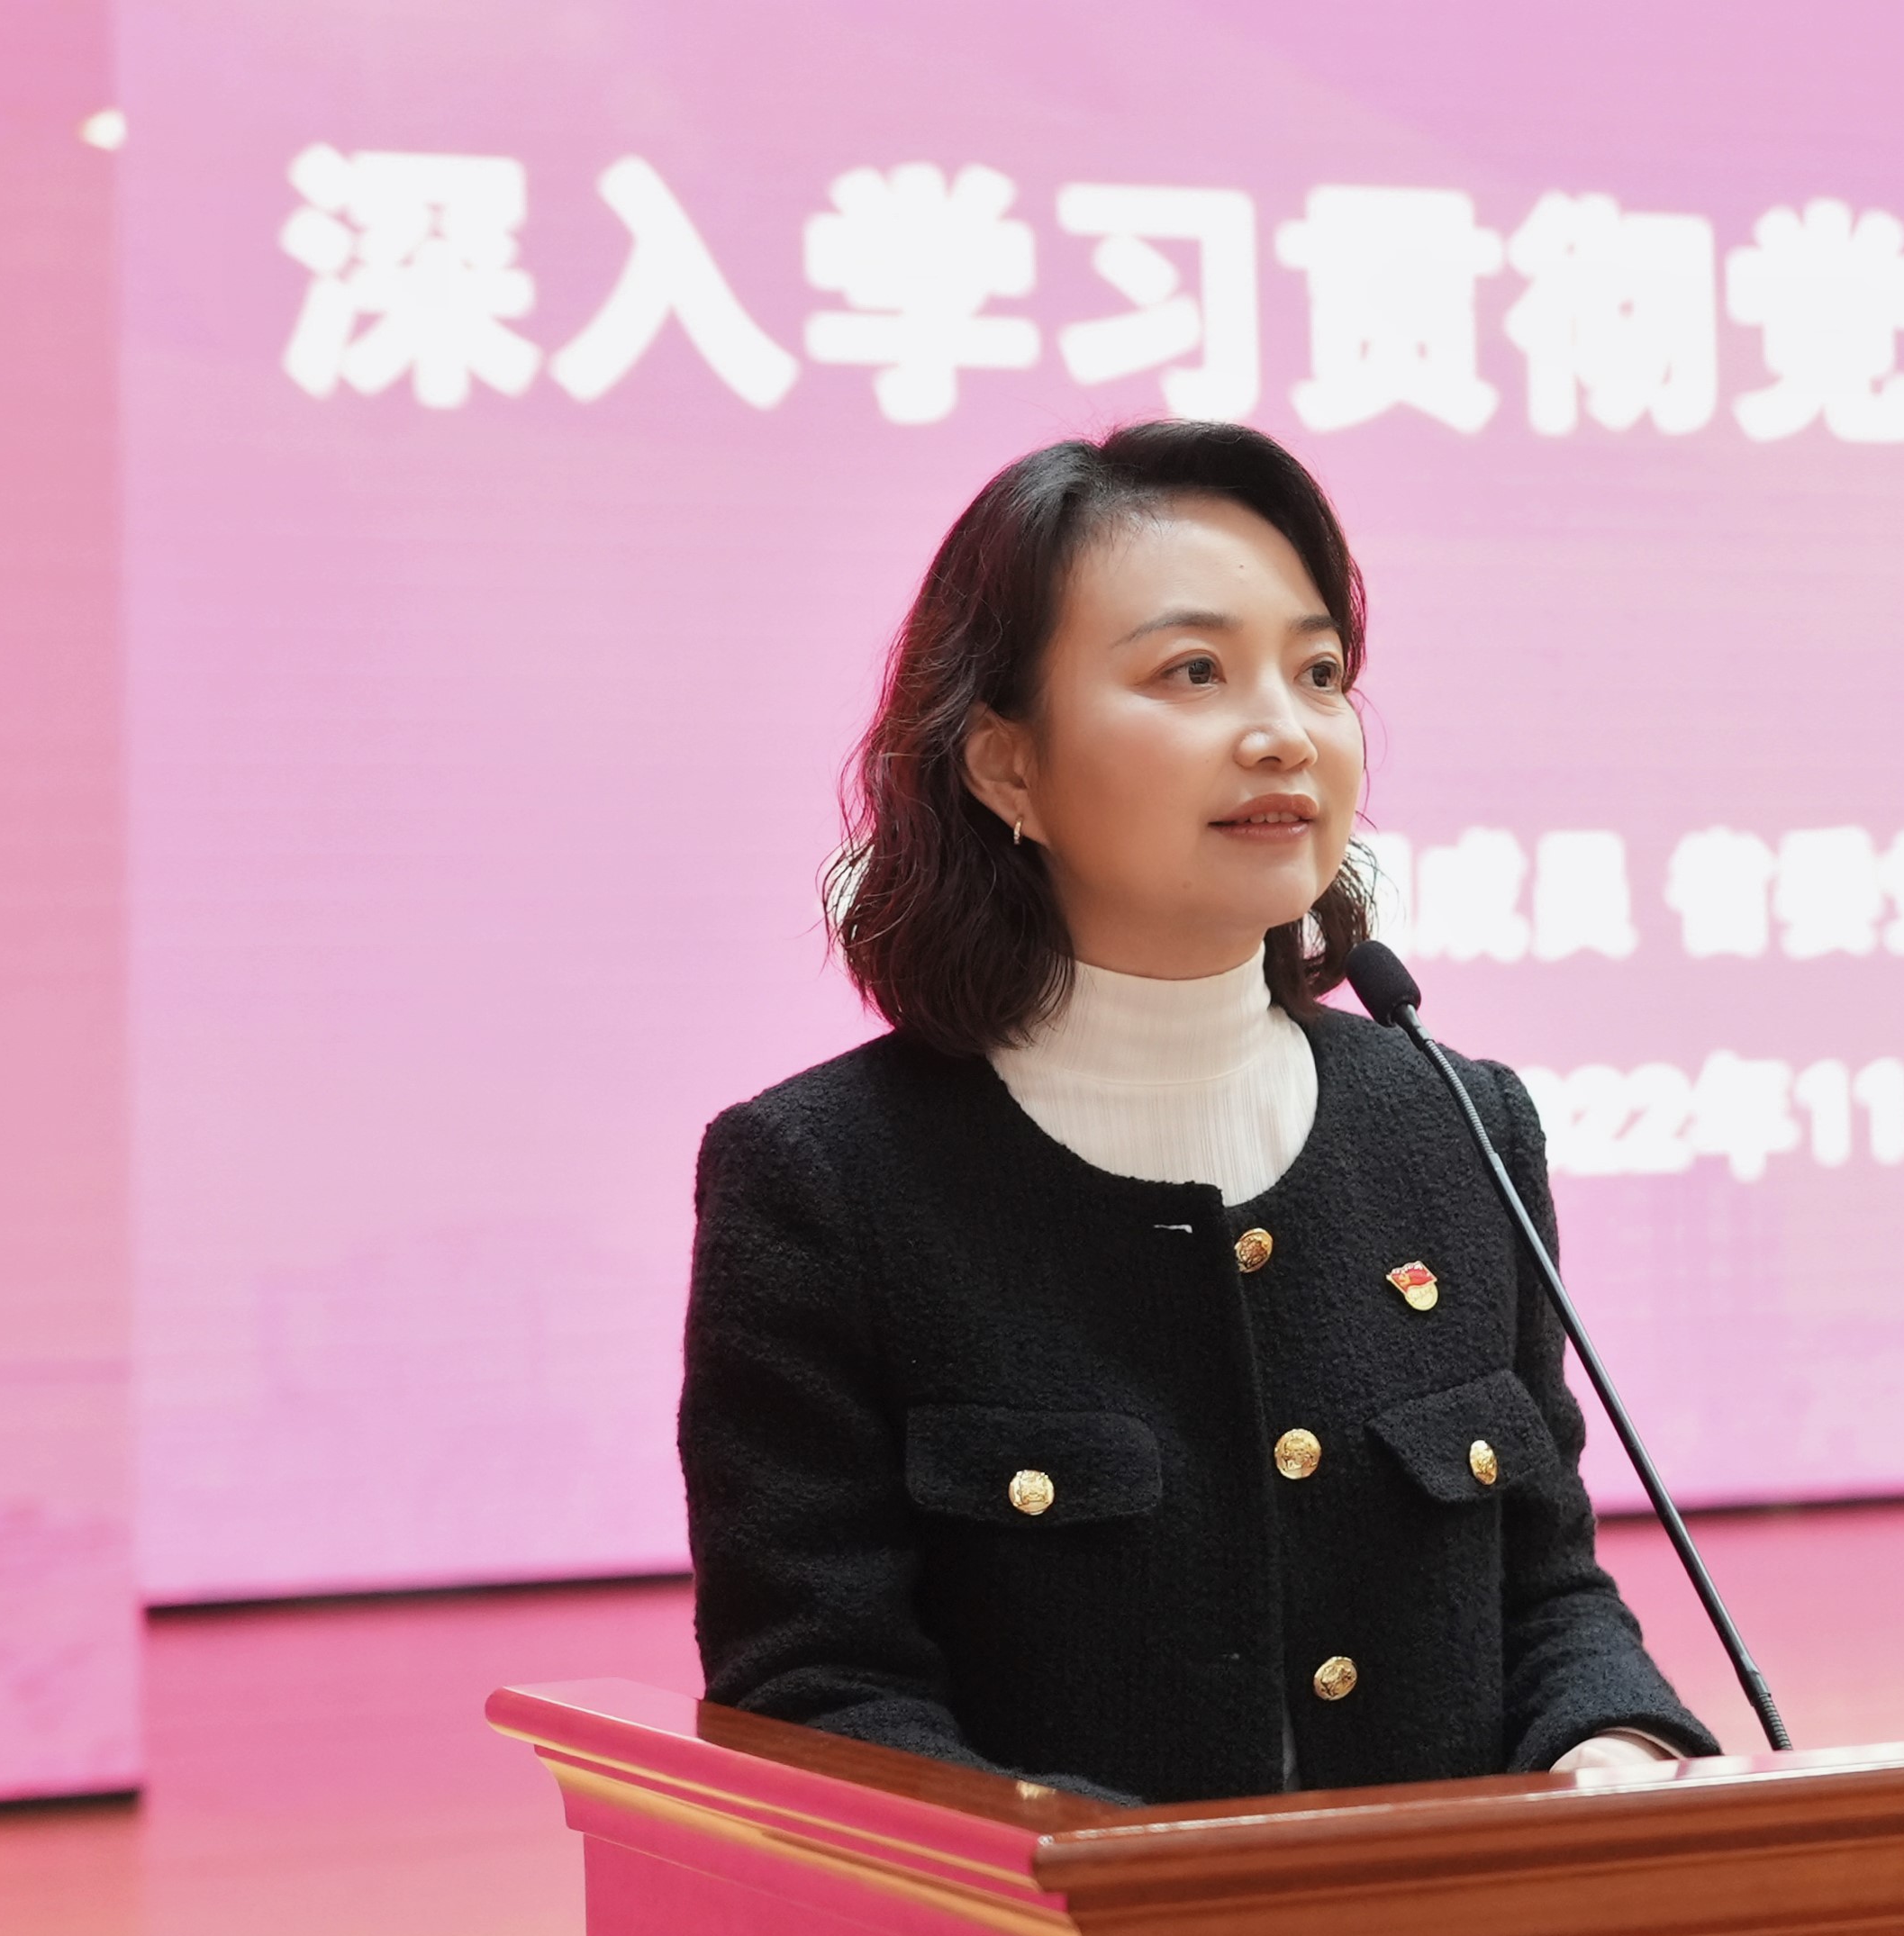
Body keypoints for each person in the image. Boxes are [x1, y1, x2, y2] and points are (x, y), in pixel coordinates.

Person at [676, 420, 1713, 1805]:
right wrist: (1131, 1892)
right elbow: (817, 1688)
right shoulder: (825, 1182)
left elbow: (1547, 1592)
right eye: (1193, 671)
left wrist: (1616, 1746)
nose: (1285, 731)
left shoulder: (1459, 1126)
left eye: (1319, 672)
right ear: (1006, 765)